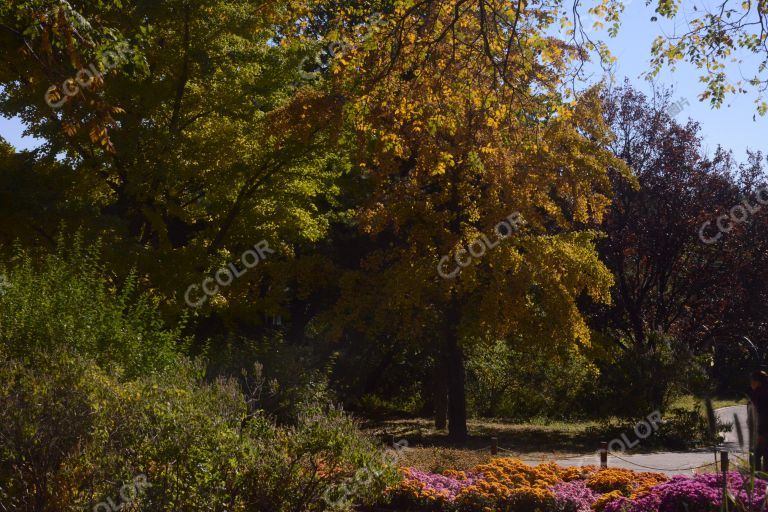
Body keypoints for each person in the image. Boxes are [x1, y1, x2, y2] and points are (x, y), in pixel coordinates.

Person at [747, 370, 768, 471]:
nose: (751, 383)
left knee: (754, 457)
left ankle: (757, 482)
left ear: (758, 382)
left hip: (761, 432)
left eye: (752, 380)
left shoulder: (761, 395)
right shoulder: (758, 393)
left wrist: (759, 433)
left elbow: (762, 415)